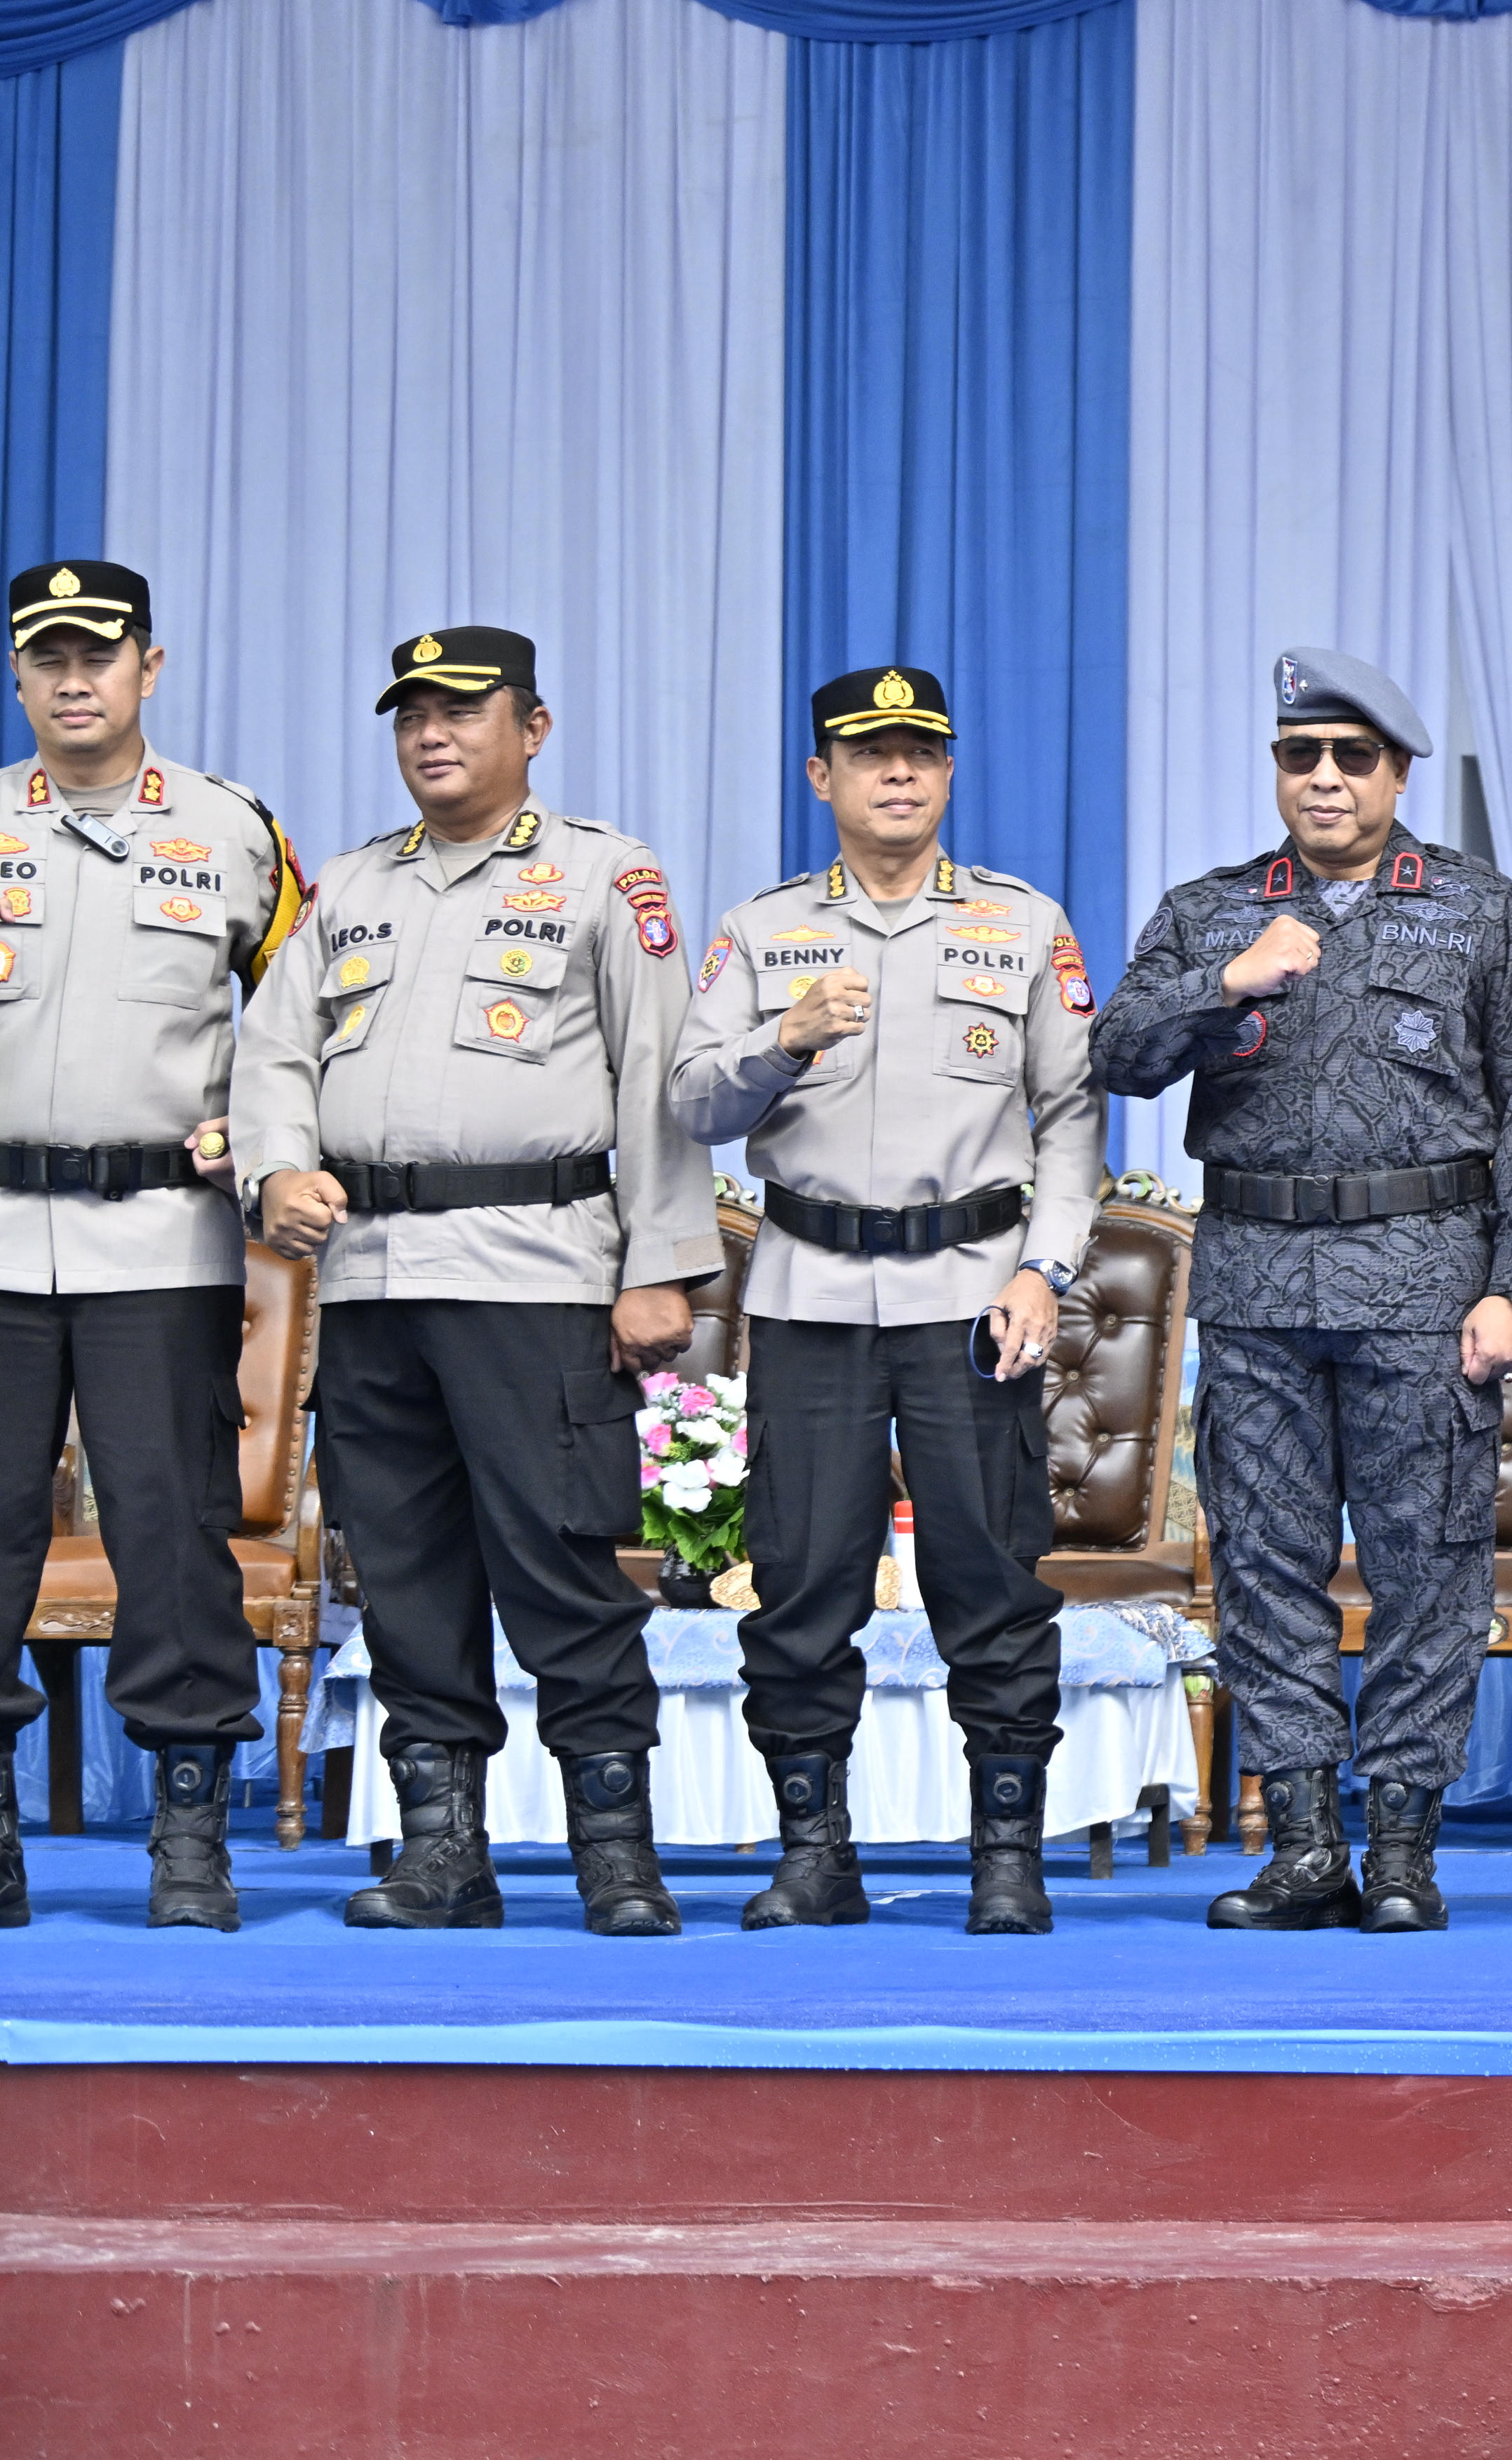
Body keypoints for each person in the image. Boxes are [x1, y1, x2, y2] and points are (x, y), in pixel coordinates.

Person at [230, 626, 720, 1935]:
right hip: (377, 1278)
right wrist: (278, 1171)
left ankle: (616, 1851)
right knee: (405, 1571)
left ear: (534, 729)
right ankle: (443, 1851)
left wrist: (661, 1265)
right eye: (412, 716)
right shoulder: (347, 886)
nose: (432, 734)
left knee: (560, 1568)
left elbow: (655, 1080)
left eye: (461, 711)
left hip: (538, 1270)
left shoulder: (606, 878)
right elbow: (272, 1052)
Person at [1089, 649, 1512, 1935]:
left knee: (1429, 1566)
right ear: (1277, 770)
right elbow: (1117, 1055)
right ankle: (1303, 1837)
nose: (1325, 778)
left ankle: (1404, 1843)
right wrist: (1224, 983)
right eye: (1301, 755)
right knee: (1264, 1561)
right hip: (1255, 1285)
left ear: (1397, 773)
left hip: (1425, 1283)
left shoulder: (1480, 909)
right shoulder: (1214, 909)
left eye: (1353, 756)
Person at [670, 666, 1105, 1937]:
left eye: (920, 750)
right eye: (869, 753)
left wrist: (1046, 1268)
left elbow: (1074, 1118)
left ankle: (1007, 1857)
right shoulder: (762, 933)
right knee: (802, 1579)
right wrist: (784, 1037)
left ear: (950, 771)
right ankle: (816, 1855)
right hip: (810, 1294)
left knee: (990, 1574)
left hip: (973, 1293)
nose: (897, 771)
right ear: (824, 777)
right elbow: (696, 1102)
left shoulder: (1021, 925)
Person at [0, 563, 304, 1931]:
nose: (75, 679)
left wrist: (266, 1136)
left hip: (163, 1248)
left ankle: (190, 1827)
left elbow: (307, 1029)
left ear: (150, 667)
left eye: (99, 655)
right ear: (19, 676)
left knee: (173, 1540)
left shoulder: (235, 835)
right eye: (49, 657)